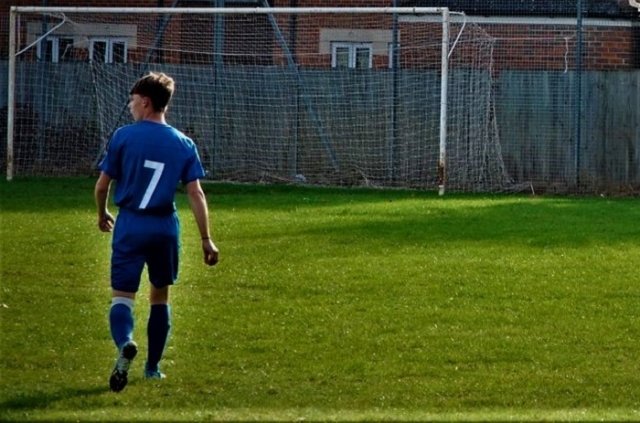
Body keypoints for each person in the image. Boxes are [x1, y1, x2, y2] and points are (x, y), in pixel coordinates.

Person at [95, 71, 219, 393]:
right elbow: (196, 193)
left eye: (133, 100)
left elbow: (102, 186)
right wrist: (206, 238)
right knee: (159, 295)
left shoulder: (123, 136)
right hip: (164, 227)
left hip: (131, 224)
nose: (131, 105)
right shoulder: (183, 143)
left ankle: (125, 342)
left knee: (122, 295)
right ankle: (152, 369)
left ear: (146, 102)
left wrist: (102, 212)